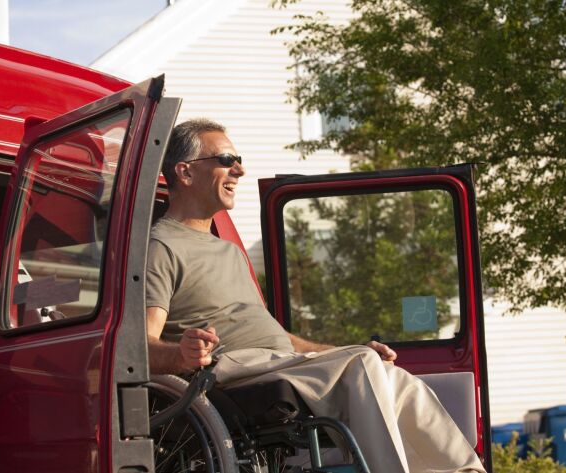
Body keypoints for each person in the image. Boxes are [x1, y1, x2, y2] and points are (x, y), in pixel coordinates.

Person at [145, 118, 486, 473]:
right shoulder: (162, 246)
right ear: (185, 172)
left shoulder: (229, 251)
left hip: (275, 361)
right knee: (362, 366)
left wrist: (344, 351)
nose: (240, 170)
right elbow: (141, 347)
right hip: (229, 371)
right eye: (227, 160)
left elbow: (279, 338)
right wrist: (181, 355)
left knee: (392, 375)